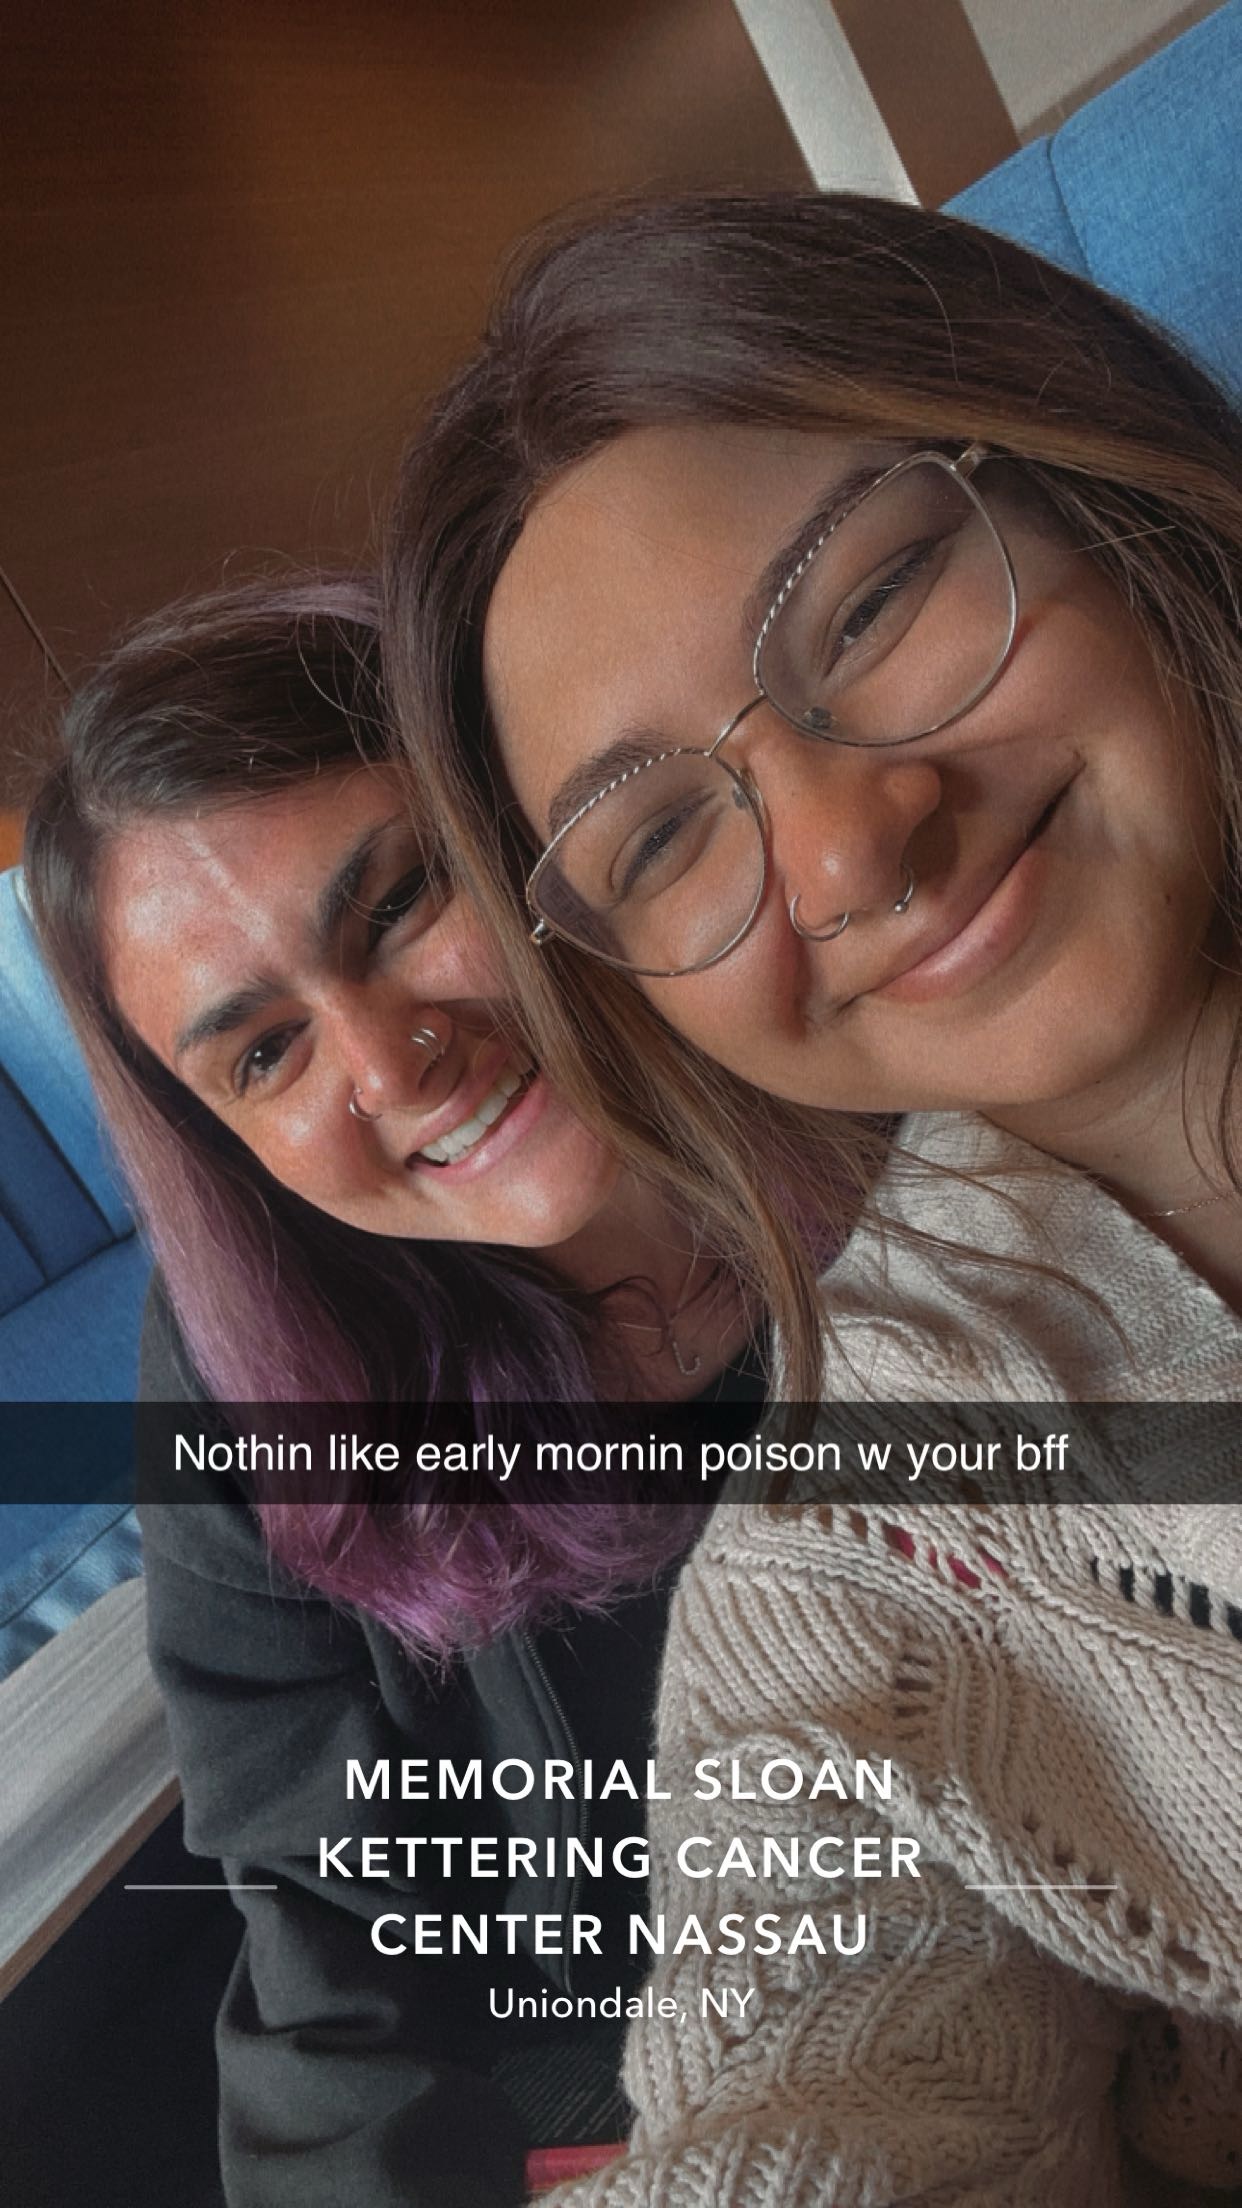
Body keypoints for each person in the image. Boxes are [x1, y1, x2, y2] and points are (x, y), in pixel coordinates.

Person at [380, 193, 1242, 2198]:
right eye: (661, 837)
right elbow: (806, 2083)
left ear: (1087, 474)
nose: (851, 854)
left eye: (866, 608)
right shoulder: (845, 1573)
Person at [22, 575, 792, 2208]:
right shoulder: (248, 1368)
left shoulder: (910, 1121)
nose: (389, 1064)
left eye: (396, 903)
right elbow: (320, 1905)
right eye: (263, 1054)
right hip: (620, 2061)